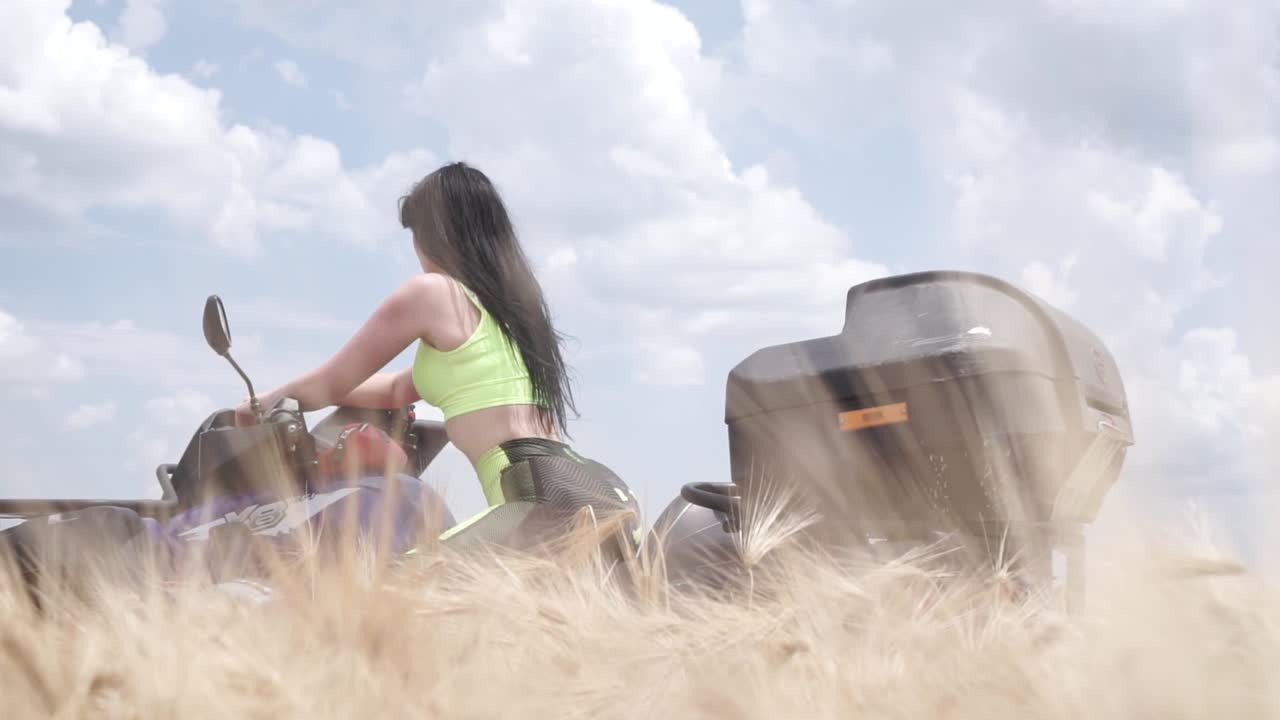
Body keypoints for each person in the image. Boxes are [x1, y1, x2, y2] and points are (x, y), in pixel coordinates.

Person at [235, 161, 641, 559]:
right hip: (598, 489)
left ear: (436, 234)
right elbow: (396, 389)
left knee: (390, 598)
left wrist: (262, 403)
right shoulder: (511, 317)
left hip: (540, 501)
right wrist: (292, 396)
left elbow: (332, 382)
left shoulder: (432, 293)